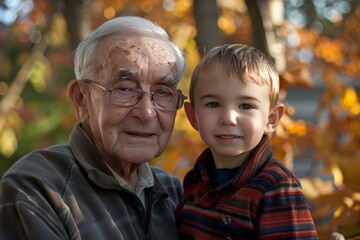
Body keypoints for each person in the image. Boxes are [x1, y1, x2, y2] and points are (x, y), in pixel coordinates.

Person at [0, 16, 187, 239]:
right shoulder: (39, 186)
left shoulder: (173, 191)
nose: (146, 112)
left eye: (163, 92)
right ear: (81, 99)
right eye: (125, 89)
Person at [176, 44, 318, 239]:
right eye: (213, 104)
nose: (228, 118)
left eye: (245, 105)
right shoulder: (194, 182)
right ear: (193, 116)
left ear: (271, 119)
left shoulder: (277, 188)